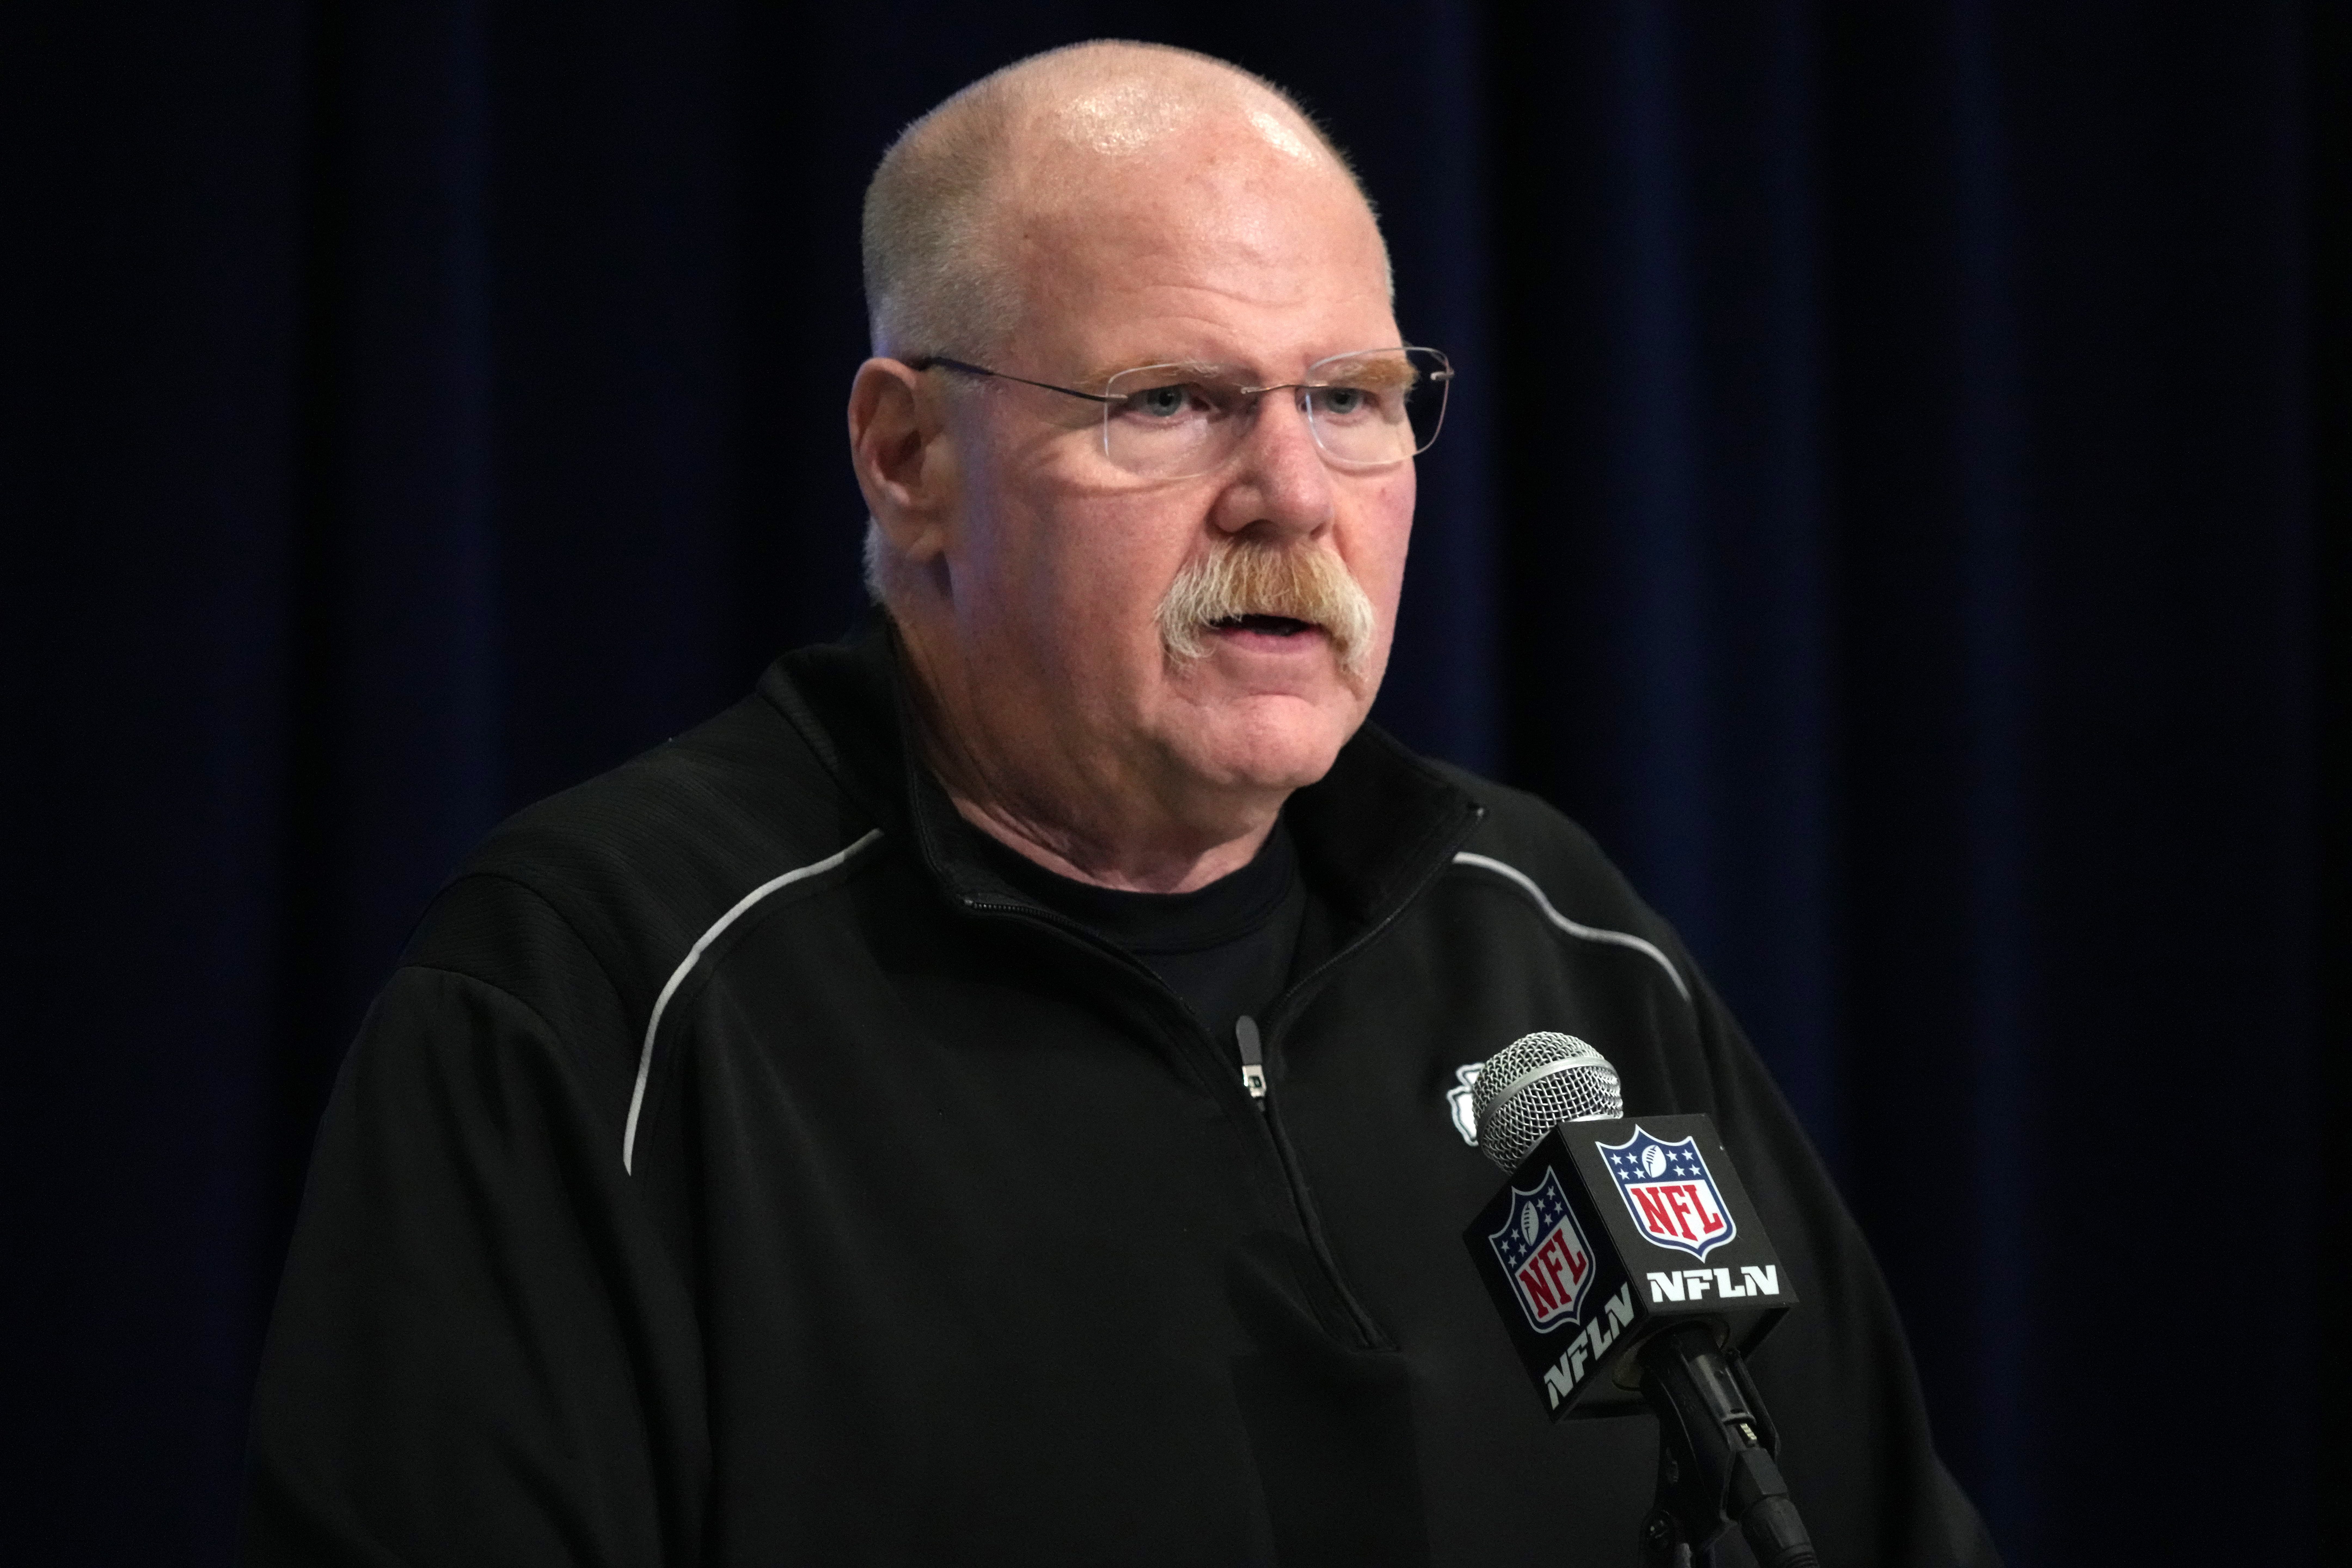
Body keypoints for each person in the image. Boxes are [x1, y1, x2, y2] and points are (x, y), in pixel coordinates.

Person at [241, 41, 1998, 1567]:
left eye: (1352, 399)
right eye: (1170, 401)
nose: (1293, 493)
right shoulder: (602, 998)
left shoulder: (1553, 945)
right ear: (908, 456)